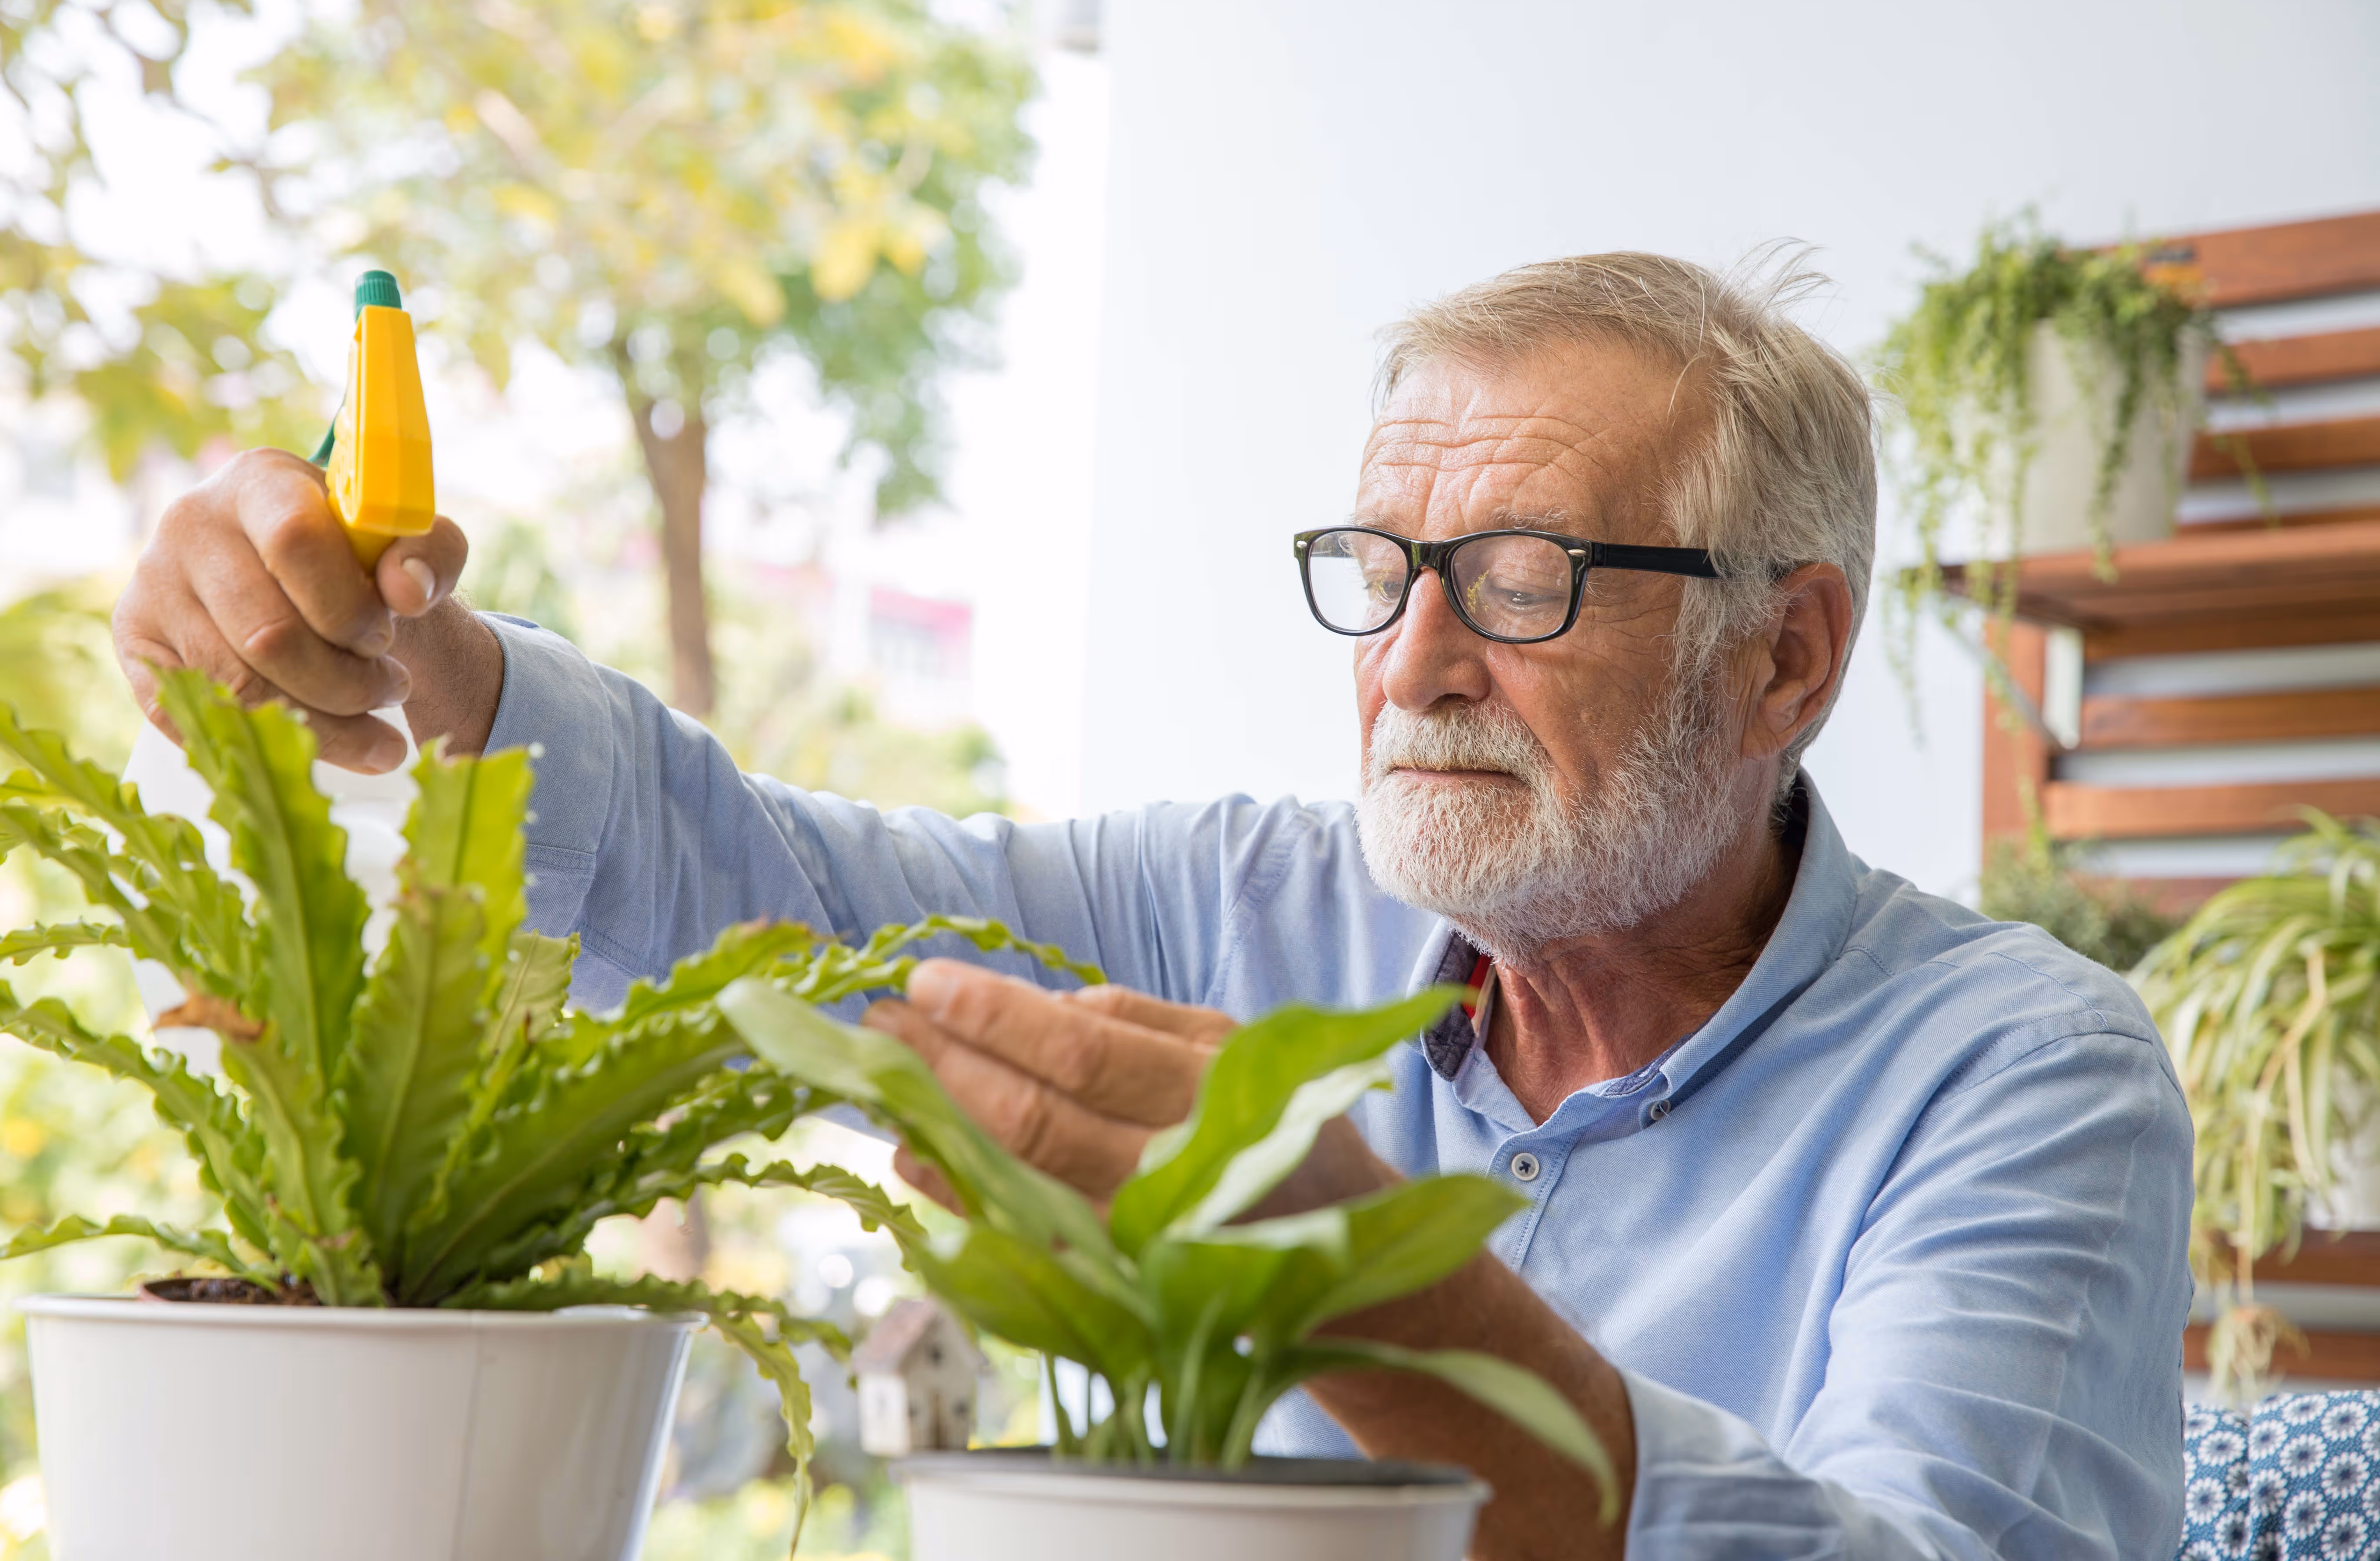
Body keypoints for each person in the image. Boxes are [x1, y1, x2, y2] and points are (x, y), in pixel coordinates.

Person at [113, 252, 2190, 1559]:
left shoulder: (2021, 1076)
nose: (1411, 666)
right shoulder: (1229, 908)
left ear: (1790, 658)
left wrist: (1411, 1317)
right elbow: (777, 907)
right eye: (1381, 573)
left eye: (1527, 582)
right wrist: (430, 674)